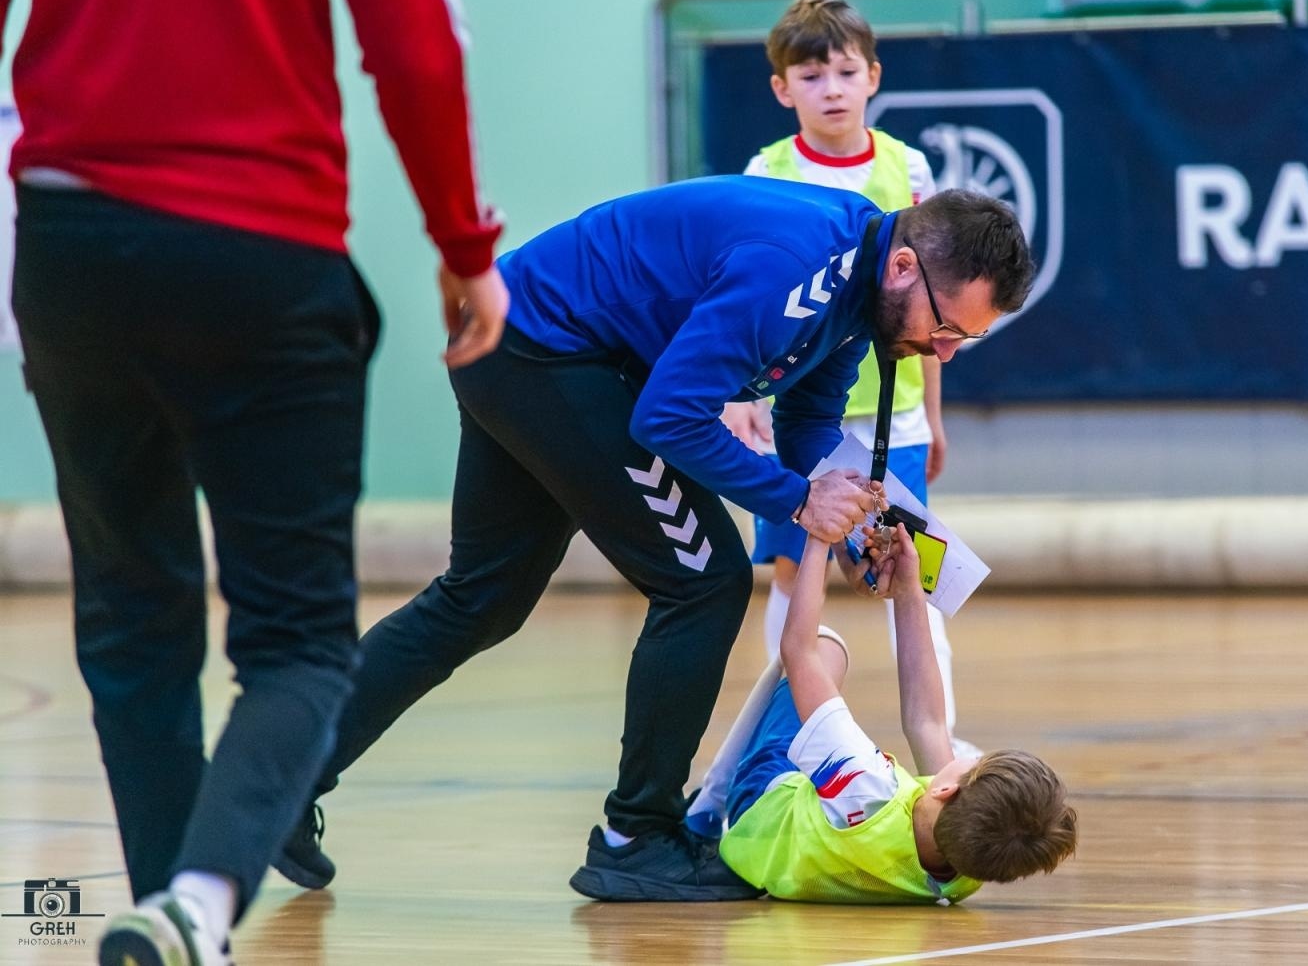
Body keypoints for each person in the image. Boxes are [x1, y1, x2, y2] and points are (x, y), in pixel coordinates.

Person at [271, 175, 1036, 902]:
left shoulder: (860, 292)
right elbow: (668, 418)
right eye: (944, 328)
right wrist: (801, 500)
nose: (943, 352)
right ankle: (636, 835)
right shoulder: (799, 272)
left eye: (961, 341)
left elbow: (805, 426)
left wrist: (854, 529)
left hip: (520, 342)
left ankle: (286, 775)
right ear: (904, 266)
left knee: (480, 599)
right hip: (549, 354)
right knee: (705, 580)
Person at [2, 0, 508, 962]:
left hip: (68, 252)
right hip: (259, 255)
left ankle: (172, 922)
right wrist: (462, 241)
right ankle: (198, 898)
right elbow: (415, 44)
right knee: (298, 643)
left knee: (131, 621)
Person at [721, 0, 976, 756]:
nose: (829, 89)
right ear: (781, 88)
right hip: (790, 421)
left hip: (886, 420)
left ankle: (943, 741)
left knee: (916, 569)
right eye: (810, 75)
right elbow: (742, 296)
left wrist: (930, 415)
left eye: (843, 71)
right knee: (793, 567)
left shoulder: (908, 168)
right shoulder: (766, 170)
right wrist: (744, 400)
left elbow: (930, 312)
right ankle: (788, 741)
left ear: (872, 75)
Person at [683, 524, 1077, 903]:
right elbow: (926, 721)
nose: (967, 756)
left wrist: (819, 539)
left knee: (826, 650)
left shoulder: (865, 784)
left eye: (975, 760)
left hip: (756, 817)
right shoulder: (961, 874)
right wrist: (910, 589)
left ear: (947, 789)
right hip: (793, 864)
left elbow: (797, 650)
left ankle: (709, 807)